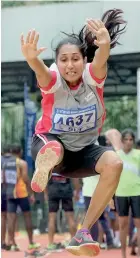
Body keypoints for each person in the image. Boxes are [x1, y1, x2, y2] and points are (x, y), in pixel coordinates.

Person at [21, 9, 126, 256]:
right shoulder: (53, 80)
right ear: (57, 63)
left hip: (82, 153)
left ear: (83, 60)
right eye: (64, 60)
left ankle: (82, 233)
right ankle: (44, 167)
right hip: (48, 142)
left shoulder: (92, 77)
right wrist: (32, 59)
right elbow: (41, 72)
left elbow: (100, 60)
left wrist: (105, 46)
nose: (70, 65)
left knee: (114, 163)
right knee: (54, 148)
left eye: (75, 59)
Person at [106, 129, 140, 258]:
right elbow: (111, 178)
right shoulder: (116, 155)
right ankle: (123, 254)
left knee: (138, 225)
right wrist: (110, 197)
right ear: (122, 141)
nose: (129, 142)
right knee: (123, 225)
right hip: (121, 194)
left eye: (131, 139)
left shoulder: (138, 155)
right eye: (126, 139)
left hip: (137, 193)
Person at [4, 144, 40, 251]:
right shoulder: (22, 163)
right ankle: (31, 242)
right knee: (27, 217)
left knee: (11, 219)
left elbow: (4, 179)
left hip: (10, 193)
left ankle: (12, 243)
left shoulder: (5, 163)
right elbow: (25, 178)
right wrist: (31, 192)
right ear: (20, 152)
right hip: (22, 193)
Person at [45, 171, 78, 251]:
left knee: (52, 218)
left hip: (53, 191)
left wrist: (45, 193)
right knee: (70, 217)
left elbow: (44, 177)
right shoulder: (67, 161)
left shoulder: (51, 162)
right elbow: (75, 176)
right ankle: (74, 243)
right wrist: (77, 190)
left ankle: (50, 243)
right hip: (66, 191)